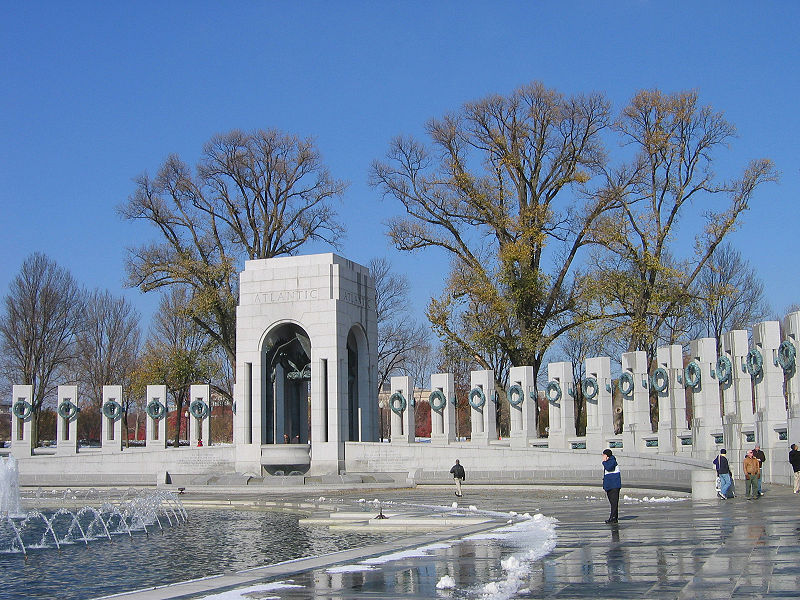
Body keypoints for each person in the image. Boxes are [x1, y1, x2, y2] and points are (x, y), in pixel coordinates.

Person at [602, 449, 621, 523]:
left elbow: (609, 468)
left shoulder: (612, 461)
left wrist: (604, 462)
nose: (602, 456)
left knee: (614, 502)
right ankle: (614, 517)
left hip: (614, 485)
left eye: (603, 455)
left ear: (607, 455)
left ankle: (613, 517)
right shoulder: (609, 462)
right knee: (612, 502)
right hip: (610, 486)